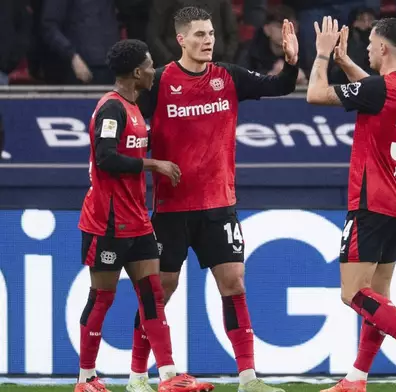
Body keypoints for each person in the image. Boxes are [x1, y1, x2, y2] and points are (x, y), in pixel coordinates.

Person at [131, 6, 299, 392]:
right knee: (161, 291)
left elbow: (280, 86)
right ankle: (138, 376)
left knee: (235, 284)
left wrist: (291, 65)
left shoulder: (229, 77)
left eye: (210, 34)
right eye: (199, 35)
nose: (208, 41)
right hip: (171, 210)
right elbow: (129, 132)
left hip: (219, 205)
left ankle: (248, 378)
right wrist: (150, 165)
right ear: (181, 40)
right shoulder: (157, 83)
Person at [306, 16, 396, 392]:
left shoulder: (379, 89)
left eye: (369, 43)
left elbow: (315, 94)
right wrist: (344, 60)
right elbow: (372, 88)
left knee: (353, 294)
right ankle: (357, 378)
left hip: (371, 203)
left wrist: (321, 57)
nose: (366, 49)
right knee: (378, 301)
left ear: (383, 48)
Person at [75, 39, 213, 392]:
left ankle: (168, 376)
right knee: (102, 297)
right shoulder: (112, 109)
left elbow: (132, 148)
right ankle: (86, 378)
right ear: (137, 73)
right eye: (151, 66)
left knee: (153, 295)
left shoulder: (135, 109)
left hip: (137, 221)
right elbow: (106, 158)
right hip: (106, 221)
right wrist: (154, 163)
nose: (156, 71)